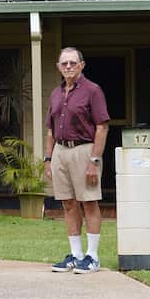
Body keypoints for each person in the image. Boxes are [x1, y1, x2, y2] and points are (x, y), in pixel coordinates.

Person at [44, 46, 110, 274]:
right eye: (64, 63)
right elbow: (50, 131)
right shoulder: (55, 93)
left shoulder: (93, 90)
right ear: (58, 67)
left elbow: (102, 127)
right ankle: (76, 255)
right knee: (68, 203)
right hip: (60, 151)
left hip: (84, 150)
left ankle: (92, 257)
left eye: (73, 63)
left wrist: (95, 160)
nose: (69, 67)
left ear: (82, 65)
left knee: (89, 202)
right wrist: (48, 159)